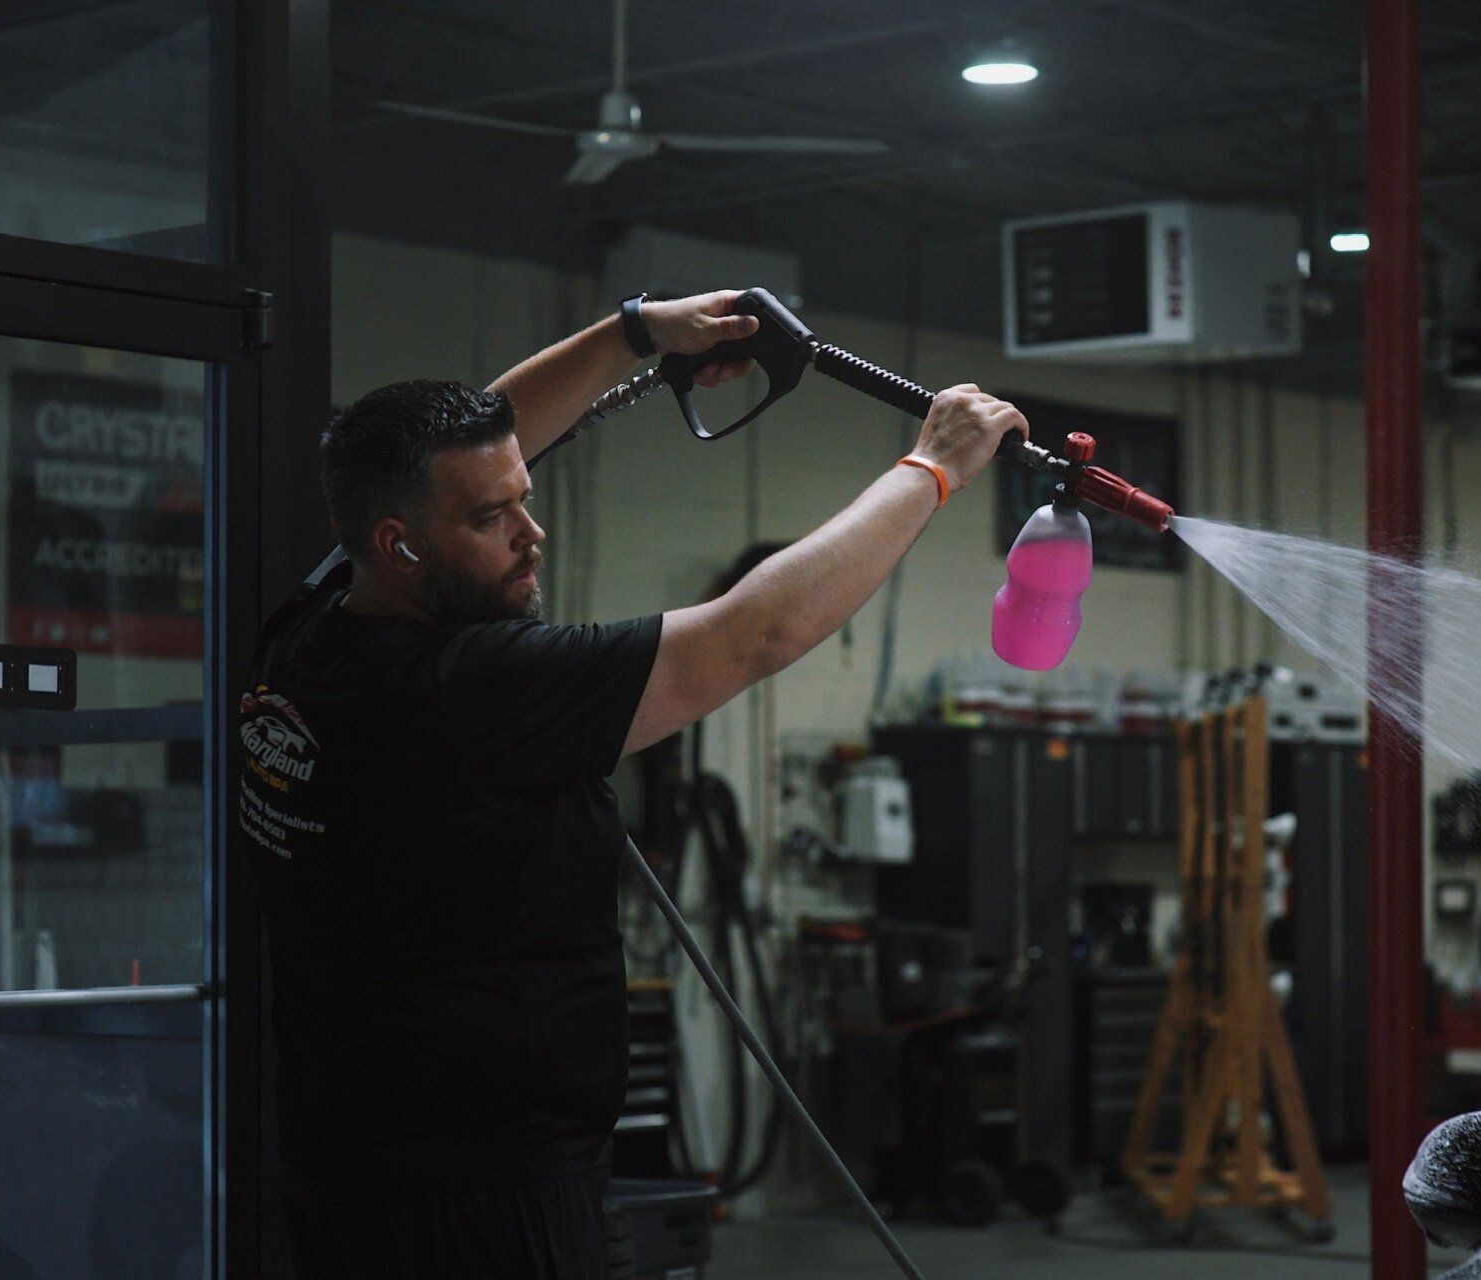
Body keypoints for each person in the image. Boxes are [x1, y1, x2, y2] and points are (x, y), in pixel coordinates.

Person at [236, 289, 1028, 1278]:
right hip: (481, 1198)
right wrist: (935, 468)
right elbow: (753, 633)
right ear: (400, 543)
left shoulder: (309, 631)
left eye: (523, 495)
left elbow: (474, 443)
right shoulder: (460, 689)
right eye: (496, 518)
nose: (533, 531)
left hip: (349, 1159)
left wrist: (636, 334)